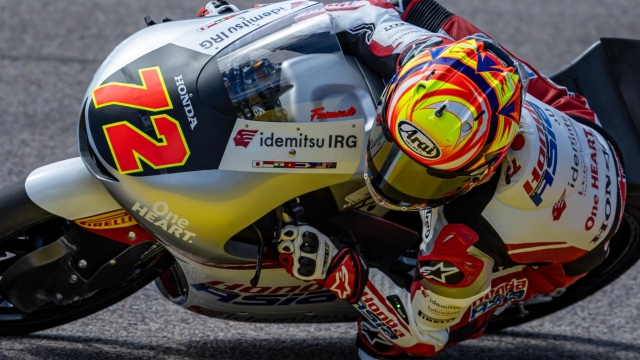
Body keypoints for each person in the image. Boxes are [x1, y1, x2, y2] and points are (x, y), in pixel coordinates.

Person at [200, 1, 627, 358]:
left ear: (479, 172)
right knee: (402, 5)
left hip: (561, 250)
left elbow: (424, 328)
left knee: (395, 342)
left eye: (425, 177)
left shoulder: (467, 236)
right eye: (393, 150)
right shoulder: (423, 54)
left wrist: (337, 268)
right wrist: (237, 30)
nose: (392, 179)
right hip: (571, 118)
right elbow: (352, 16)